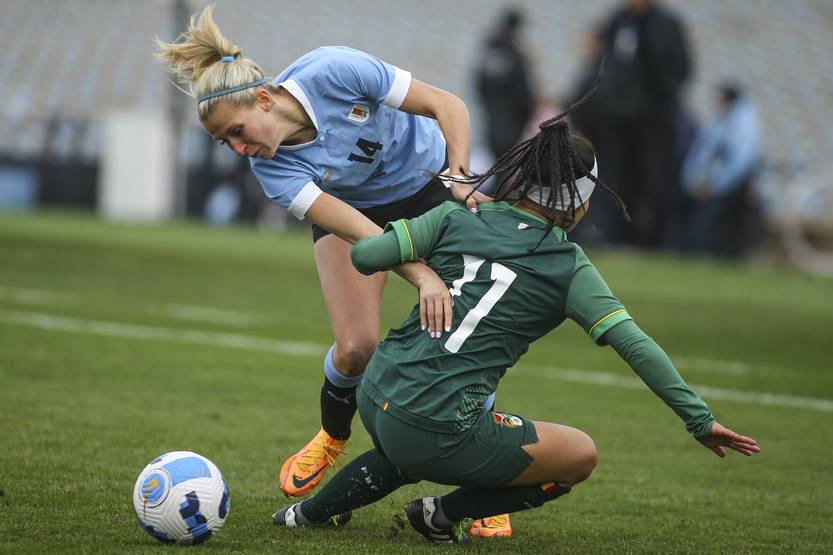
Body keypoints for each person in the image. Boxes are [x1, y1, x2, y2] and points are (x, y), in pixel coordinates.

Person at [269, 97, 761, 544]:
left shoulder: (457, 216)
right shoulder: (569, 267)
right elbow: (635, 345)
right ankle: (441, 515)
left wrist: (425, 273)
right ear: (582, 201)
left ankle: (307, 515)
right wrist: (698, 421)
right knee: (578, 456)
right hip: (435, 428)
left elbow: (367, 255)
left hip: (376, 395)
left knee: (414, 438)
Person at [155, 6, 493, 503]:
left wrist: (460, 180)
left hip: (429, 186)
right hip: (357, 212)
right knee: (356, 346)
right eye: (225, 142)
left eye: (237, 131)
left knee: (464, 338)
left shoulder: (333, 69)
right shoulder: (273, 172)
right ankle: (333, 433)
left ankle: (481, 484)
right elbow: (368, 235)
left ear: (264, 100)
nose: (238, 150)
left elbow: (449, 105)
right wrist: (422, 276)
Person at [569, 0, 692, 247]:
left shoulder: (666, 25)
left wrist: (657, 98)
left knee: (652, 182)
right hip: (614, 124)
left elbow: (679, 69)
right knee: (612, 179)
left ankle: (652, 240)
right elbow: (597, 63)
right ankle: (609, 235)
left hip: (653, 124)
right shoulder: (617, 22)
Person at [679, 82, 763, 257]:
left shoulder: (743, 124)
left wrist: (716, 184)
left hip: (732, 185)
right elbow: (702, 153)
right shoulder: (720, 121)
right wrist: (692, 181)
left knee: (709, 222)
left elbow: (739, 161)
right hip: (713, 183)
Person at [475, 7, 535, 163]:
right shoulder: (516, 53)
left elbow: (479, 83)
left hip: (492, 113)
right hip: (511, 118)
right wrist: (527, 114)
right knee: (506, 158)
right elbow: (523, 90)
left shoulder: (490, 48)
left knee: (494, 156)